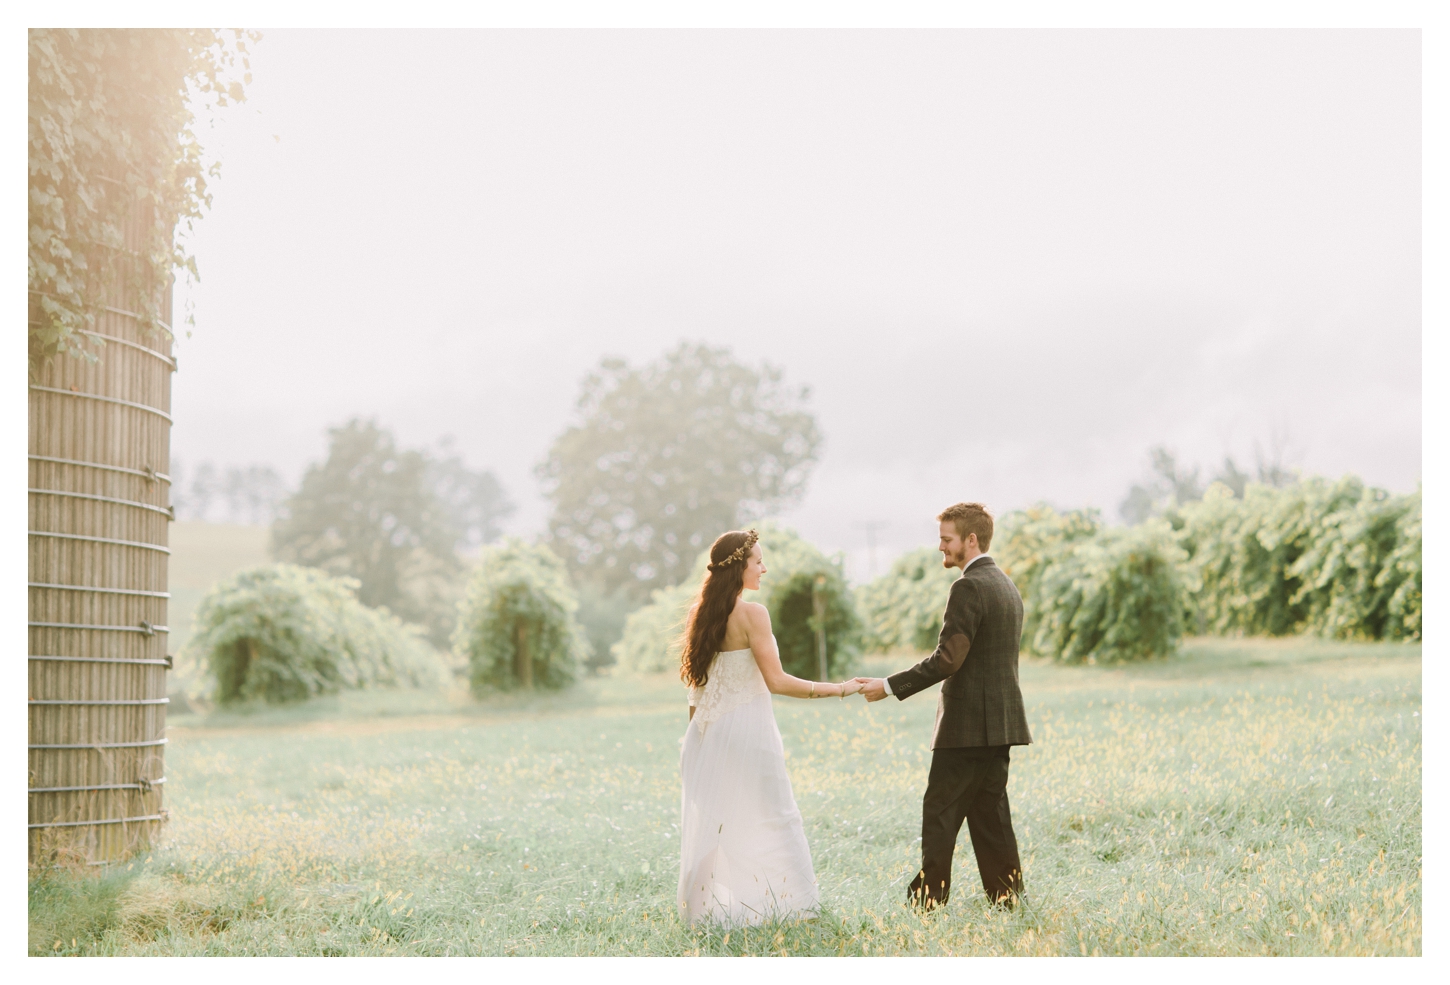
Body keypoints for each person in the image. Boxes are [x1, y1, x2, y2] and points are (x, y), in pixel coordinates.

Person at [677, 529, 864, 925]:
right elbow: (777, 681)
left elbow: (697, 690)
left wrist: (697, 741)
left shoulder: (702, 614)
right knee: (773, 813)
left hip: (706, 734)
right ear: (739, 568)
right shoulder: (752, 613)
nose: (764, 567)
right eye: (758, 561)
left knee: (718, 821)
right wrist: (840, 689)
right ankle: (793, 907)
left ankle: (702, 913)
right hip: (747, 730)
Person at [854, 502, 1032, 909]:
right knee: (990, 817)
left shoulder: (967, 587)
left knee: (939, 814)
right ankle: (1009, 900)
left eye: (946, 539)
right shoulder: (1006, 584)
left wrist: (888, 685)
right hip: (1001, 725)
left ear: (971, 540)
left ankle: (927, 904)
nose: (941, 548)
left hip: (967, 727)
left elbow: (949, 659)